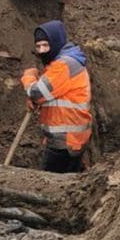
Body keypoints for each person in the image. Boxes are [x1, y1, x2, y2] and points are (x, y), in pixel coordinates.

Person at [19, 20, 92, 174]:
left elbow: (36, 92)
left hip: (64, 142)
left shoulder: (63, 66)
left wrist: (29, 76)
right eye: (38, 46)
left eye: (46, 45)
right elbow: (54, 94)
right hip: (70, 139)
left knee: (47, 185)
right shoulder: (65, 62)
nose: (41, 50)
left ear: (56, 42)